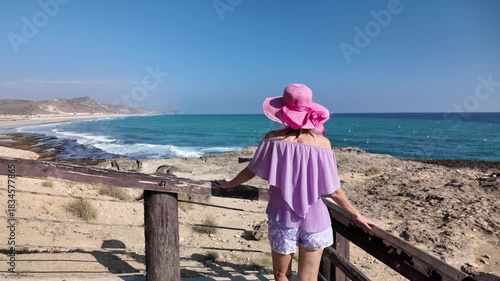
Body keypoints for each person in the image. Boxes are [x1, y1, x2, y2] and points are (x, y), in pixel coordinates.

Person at [215, 83, 375, 281]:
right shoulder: (324, 144)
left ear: (283, 111)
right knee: (308, 278)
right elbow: (334, 191)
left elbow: (251, 171)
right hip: (316, 218)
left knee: (282, 275)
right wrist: (356, 215)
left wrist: (229, 184)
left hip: (282, 216)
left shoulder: (273, 140)